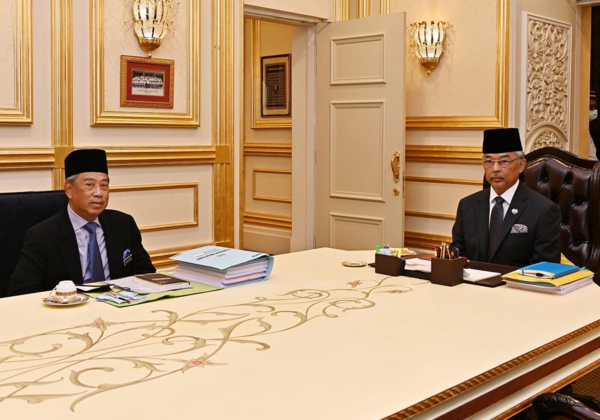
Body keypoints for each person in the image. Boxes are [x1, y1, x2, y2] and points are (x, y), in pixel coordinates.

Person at [9, 149, 155, 296]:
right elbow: (22, 291)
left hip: (119, 306)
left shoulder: (124, 224)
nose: (99, 193)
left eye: (104, 185)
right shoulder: (42, 235)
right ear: (69, 190)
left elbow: (145, 272)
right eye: (89, 185)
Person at [451, 128, 561, 267]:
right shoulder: (467, 205)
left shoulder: (543, 210)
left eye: (504, 161)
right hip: (473, 286)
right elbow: (458, 257)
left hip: (519, 287)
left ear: (521, 165)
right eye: (489, 162)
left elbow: (545, 268)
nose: (495, 168)